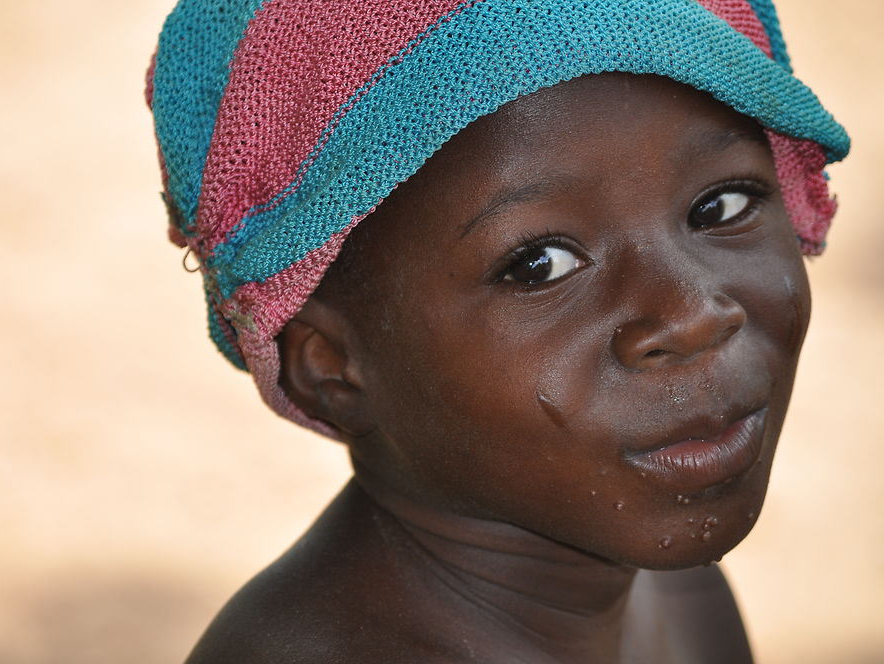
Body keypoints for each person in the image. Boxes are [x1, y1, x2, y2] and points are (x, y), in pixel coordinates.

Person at [146, 1, 849, 661]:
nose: (693, 315)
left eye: (720, 205)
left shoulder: (672, 593)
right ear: (331, 368)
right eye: (539, 264)